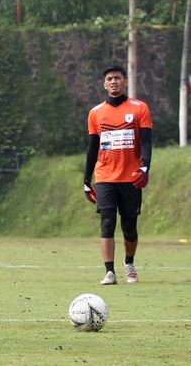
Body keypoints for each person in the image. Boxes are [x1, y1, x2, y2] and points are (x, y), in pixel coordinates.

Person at [83, 66, 152, 285]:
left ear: (125, 82)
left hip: (131, 177)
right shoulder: (95, 113)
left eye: (117, 78)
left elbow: (147, 141)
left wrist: (145, 167)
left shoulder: (139, 108)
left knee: (129, 227)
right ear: (104, 84)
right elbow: (93, 147)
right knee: (107, 221)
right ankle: (109, 272)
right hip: (104, 177)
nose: (113, 82)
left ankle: (129, 264)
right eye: (109, 79)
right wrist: (86, 180)